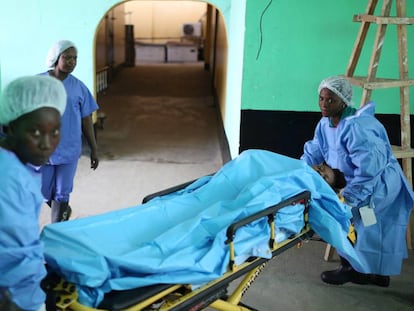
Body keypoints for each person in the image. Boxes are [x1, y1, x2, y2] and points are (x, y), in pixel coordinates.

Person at [301, 76, 414, 287]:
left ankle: (354, 270)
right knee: (372, 228)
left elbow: (368, 171)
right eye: (321, 99)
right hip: (360, 182)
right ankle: (376, 273)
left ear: (343, 101)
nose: (324, 104)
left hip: (378, 185)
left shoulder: (358, 128)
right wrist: (298, 172)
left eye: (330, 100)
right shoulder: (325, 124)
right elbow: (314, 151)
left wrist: (347, 199)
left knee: (355, 222)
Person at [0, 75, 66, 311]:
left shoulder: (15, 163)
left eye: (55, 131)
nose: (47, 144)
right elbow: (12, 257)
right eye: (35, 133)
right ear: (11, 126)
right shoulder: (9, 180)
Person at [39, 40, 99, 223]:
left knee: (62, 193)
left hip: (69, 149)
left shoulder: (79, 87)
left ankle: (57, 229)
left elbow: (86, 120)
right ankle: (63, 210)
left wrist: (94, 148)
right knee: (40, 189)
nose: (72, 62)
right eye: (67, 57)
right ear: (56, 58)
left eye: (75, 58)